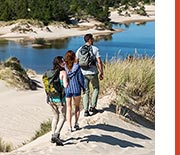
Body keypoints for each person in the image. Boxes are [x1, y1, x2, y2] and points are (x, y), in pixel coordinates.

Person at [76, 33, 104, 117]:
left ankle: (85, 110)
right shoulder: (95, 49)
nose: (94, 40)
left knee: (85, 91)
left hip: (83, 73)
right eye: (93, 39)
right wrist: (101, 72)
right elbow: (99, 61)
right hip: (93, 72)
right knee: (96, 88)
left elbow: (76, 61)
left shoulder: (80, 49)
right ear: (90, 40)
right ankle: (93, 106)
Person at [48, 56, 68, 146]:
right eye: (62, 61)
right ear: (59, 63)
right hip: (60, 99)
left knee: (55, 116)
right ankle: (56, 134)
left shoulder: (50, 72)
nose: (64, 62)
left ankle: (52, 135)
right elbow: (65, 85)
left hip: (51, 98)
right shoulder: (63, 72)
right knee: (63, 117)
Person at [64, 50, 86, 131]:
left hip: (67, 89)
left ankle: (69, 126)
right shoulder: (77, 67)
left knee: (68, 108)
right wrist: (84, 87)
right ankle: (76, 123)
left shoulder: (64, 67)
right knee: (77, 107)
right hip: (76, 88)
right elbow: (81, 79)